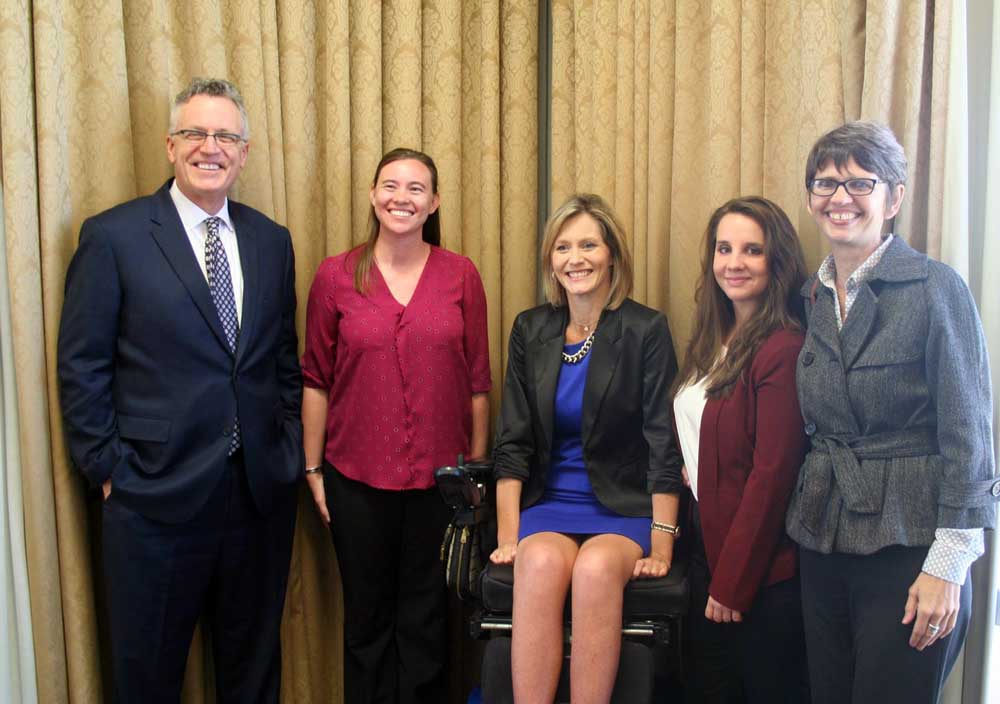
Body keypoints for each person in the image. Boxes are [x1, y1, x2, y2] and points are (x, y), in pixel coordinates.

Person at [57, 78, 302, 702]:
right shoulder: (114, 237)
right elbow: (82, 365)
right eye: (195, 133)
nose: (209, 147)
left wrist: (285, 447)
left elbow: (281, 361)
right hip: (153, 500)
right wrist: (109, 468)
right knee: (147, 678)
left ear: (244, 152)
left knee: (252, 676)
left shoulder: (271, 241)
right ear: (170, 145)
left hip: (257, 497)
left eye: (225, 136)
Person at [786, 121, 999, 703]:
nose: (840, 198)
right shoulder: (811, 296)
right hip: (822, 538)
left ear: (894, 197)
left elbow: (970, 438)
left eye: (860, 182)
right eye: (825, 183)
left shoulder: (936, 289)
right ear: (810, 198)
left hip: (910, 547)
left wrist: (948, 566)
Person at [301, 148, 491, 704]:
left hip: (440, 486)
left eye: (415, 188)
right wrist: (313, 469)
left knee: (427, 623)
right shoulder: (335, 275)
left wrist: (473, 479)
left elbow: (479, 383)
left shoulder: (461, 275)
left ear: (433, 203)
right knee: (366, 624)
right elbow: (314, 378)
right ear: (371, 195)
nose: (401, 198)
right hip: (354, 479)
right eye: (390, 185)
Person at [490, 193, 683, 703]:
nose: (575, 259)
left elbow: (664, 441)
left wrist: (663, 542)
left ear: (612, 254)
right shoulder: (531, 330)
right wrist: (509, 535)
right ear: (551, 262)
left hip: (622, 507)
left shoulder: (646, 329)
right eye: (563, 248)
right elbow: (512, 440)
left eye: (589, 245)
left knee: (596, 570)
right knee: (539, 564)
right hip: (549, 504)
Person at [672, 196, 810, 703]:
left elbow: (772, 475)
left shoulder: (783, 348)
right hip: (708, 550)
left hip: (759, 575)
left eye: (752, 250)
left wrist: (731, 585)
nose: (734, 262)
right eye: (724, 248)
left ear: (778, 263)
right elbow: (710, 431)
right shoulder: (715, 337)